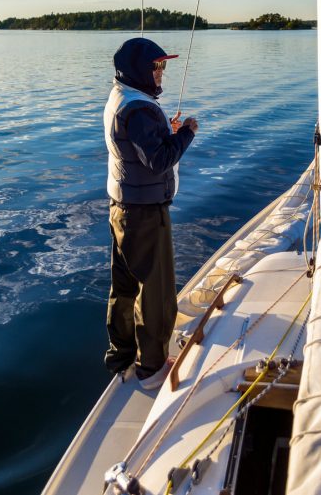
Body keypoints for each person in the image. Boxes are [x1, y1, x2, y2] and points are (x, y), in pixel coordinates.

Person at [103, 37, 199, 390]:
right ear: (139, 70)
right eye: (156, 66)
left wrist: (165, 133)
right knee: (155, 291)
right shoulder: (141, 109)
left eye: (163, 65)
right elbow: (159, 161)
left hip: (122, 208)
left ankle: (121, 354)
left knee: (125, 286)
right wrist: (186, 134)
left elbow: (141, 146)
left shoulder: (122, 98)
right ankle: (153, 369)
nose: (161, 72)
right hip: (144, 213)